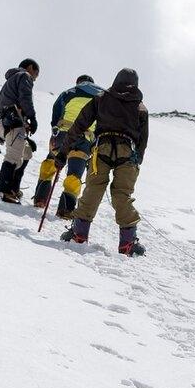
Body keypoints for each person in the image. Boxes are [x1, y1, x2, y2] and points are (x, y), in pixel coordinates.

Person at [59, 68, 149, 256]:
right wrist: (137, 159)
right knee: (122, 194)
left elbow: (80, 124)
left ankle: (79, 234)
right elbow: (143, 139)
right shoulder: (140, 106)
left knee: (94, 188)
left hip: (102, 148)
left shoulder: (101, 98)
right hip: (128, 150)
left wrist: (63, 152)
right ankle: (127, 243)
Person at [32, 74, 103, 218]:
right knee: (74, 174)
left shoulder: (69, 92)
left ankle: (40, 198)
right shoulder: (101, 98)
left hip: (63, 134)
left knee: (51, 162)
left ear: (78, 82)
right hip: (85, 138)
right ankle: (66, 209)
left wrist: (55, 128)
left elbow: (57, 110)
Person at [0, 58, 39, 204]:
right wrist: (32, 117)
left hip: (4, 124)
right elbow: (25, 98)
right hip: (14, 123)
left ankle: (13, 188)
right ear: (30, 68)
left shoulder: (11, 79)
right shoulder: (24, 76)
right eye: (36, 75)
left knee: (27, 152)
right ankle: (2, 190)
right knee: (13, 157)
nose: (34, 79)